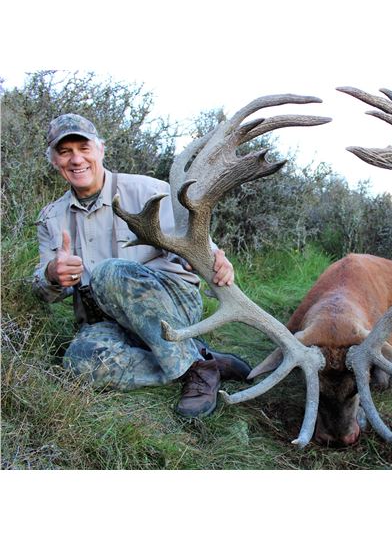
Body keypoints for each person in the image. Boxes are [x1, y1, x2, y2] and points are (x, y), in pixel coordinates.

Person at [33, 113, 252, 418]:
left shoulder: (149, 191)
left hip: (171, 303)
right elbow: (44, 293)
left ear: (100, 150)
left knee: (108, 273)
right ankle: (201, 359)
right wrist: (51, 275)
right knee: (78, 363)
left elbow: (195, 245)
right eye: (65, 151)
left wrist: (212, 259)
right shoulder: (50, 218)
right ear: (54, 160)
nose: (76, 159)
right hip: (106, 319)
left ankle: (195, 371)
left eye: (83, 148)